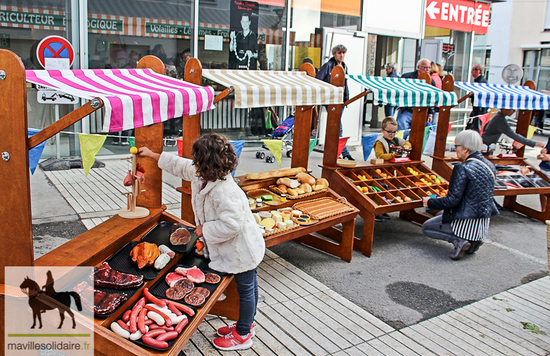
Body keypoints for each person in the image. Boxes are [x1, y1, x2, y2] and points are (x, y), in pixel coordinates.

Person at [138, 133, 265, 350]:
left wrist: (203, 229)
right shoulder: (202, 173)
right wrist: (152, 155)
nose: (193, 162)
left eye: (196, 158)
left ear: (206, 163)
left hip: (242, 249)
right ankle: (245, 325)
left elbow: (232, 225)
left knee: (247, 290)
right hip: (233, 248)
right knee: (248, 288)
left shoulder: (225, 192)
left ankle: (243, 334)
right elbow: (180, 165)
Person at [422, 130, 499, 260]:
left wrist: (430, 202)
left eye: (456, 146)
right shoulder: (489, 165)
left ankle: (459, 240)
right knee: (441, 214)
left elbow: (452, 200)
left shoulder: (462, 168)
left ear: (465, 149)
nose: (454, 150)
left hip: (465, 221)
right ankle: (474, 241)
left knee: (427, 227)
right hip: (482, 222)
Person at [316, 44, 354, 160]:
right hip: (331, 100)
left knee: (335, 127)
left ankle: (334, 152)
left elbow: (345, 83)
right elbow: (318, 80)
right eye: (339, 53)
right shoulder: (328, 66)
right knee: (338, 128)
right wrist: (331, 89)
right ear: (334, 54)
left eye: (343, 53)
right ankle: (345, 153)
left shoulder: (344, 66)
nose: (341, 55)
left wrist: (347, 97)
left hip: (341, 101)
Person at [373, 116, 412, 221]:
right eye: (389, 132)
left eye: (394, 132)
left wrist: (407, 147)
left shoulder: (397, 140)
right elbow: (380, 155)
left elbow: (406, 143)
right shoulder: (380, 142)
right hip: (381, 169)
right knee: (382, 190)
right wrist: (393, 155)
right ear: (382, 130)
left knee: (391, 190)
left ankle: (385, 209)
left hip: (392, 169)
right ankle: (377, 211)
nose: (392, 134)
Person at [396, 58, 435, 139]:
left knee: (418, 136)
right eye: (424, 67)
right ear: (418, 67)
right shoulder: (407, 77)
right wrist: (399, 105)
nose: (427, 70)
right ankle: (399, 148)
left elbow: (432, 98)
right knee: (402, 132)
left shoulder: (431, 81)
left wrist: (430, 113)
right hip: (407, 109)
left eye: (429, 67)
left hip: (422, 111)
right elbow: (400, 92)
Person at [466, 64, 490, 132]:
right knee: (471, 125)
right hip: (477, 108)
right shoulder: (478, 81)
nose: (471, 72)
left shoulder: (481, 82)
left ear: (478, 71)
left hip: (479, 109)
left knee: (476, 127)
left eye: (473, 70)